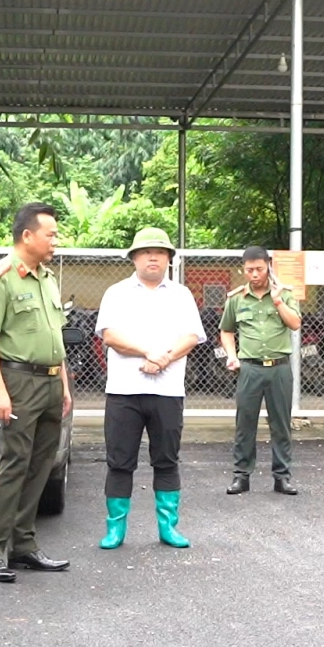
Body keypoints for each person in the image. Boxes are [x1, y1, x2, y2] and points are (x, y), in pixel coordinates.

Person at [0, 202, 73, 583]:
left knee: (41, 466)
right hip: (19, 381)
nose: (55, 241)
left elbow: (55, 336)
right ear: (27, 235)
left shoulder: (47, 278)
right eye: (50, 234)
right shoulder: (0, 277)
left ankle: (24, 545)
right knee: (13, 464)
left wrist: (62, 384)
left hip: (49, 382)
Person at [94, 228, 206, 549]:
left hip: (168, 391)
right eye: (145, 252)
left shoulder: (181, 295)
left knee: (167, 460)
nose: (153, 256)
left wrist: (163, 358)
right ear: (133, 258)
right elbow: (110, 336)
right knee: (119, 460)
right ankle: (115, 529)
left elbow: (191, 337)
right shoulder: (116, 292)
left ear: (170, 258)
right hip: (123, 392)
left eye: (160, 251)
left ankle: (168, 527)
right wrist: (148, 352)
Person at [220, 245, 303, 496]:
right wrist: (232, 356)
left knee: (281, 424)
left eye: (258, 269)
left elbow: (295, 323)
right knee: (245, 424)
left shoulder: (285, 294)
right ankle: (241, 476)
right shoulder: (236, 299)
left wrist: (277, 300)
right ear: (243, 270)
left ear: (268, 265)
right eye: (249, 270)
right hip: (250, 369)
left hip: (279, 368)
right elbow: (226, 330)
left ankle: (282, 477)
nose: (254, 274)